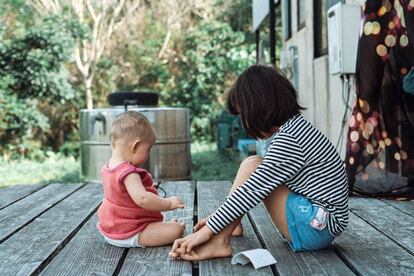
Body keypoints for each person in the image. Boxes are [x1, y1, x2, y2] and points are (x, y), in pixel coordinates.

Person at [170, 64, 349, 260]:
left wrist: (210, 229)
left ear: (257, 107)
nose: (245, 123)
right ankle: (232, 225)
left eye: (244, 115)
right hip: (319, 222)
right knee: (252, 162)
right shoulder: (295, 129)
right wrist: (219, 219)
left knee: (253, 168)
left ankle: (220, 240)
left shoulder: (291, 140)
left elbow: (252, 190)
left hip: (316, 229)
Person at [97, 111, 185, 248]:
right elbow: (143, 199)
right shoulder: (128, 172)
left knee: (168, 227)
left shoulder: (107, 167)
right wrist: (169, 203)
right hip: (132, 231)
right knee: (176, 230)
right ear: (135, 146)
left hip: (111, 230)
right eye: (148, 149)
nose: (148, 154)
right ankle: (166, 229)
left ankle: (162, 228)